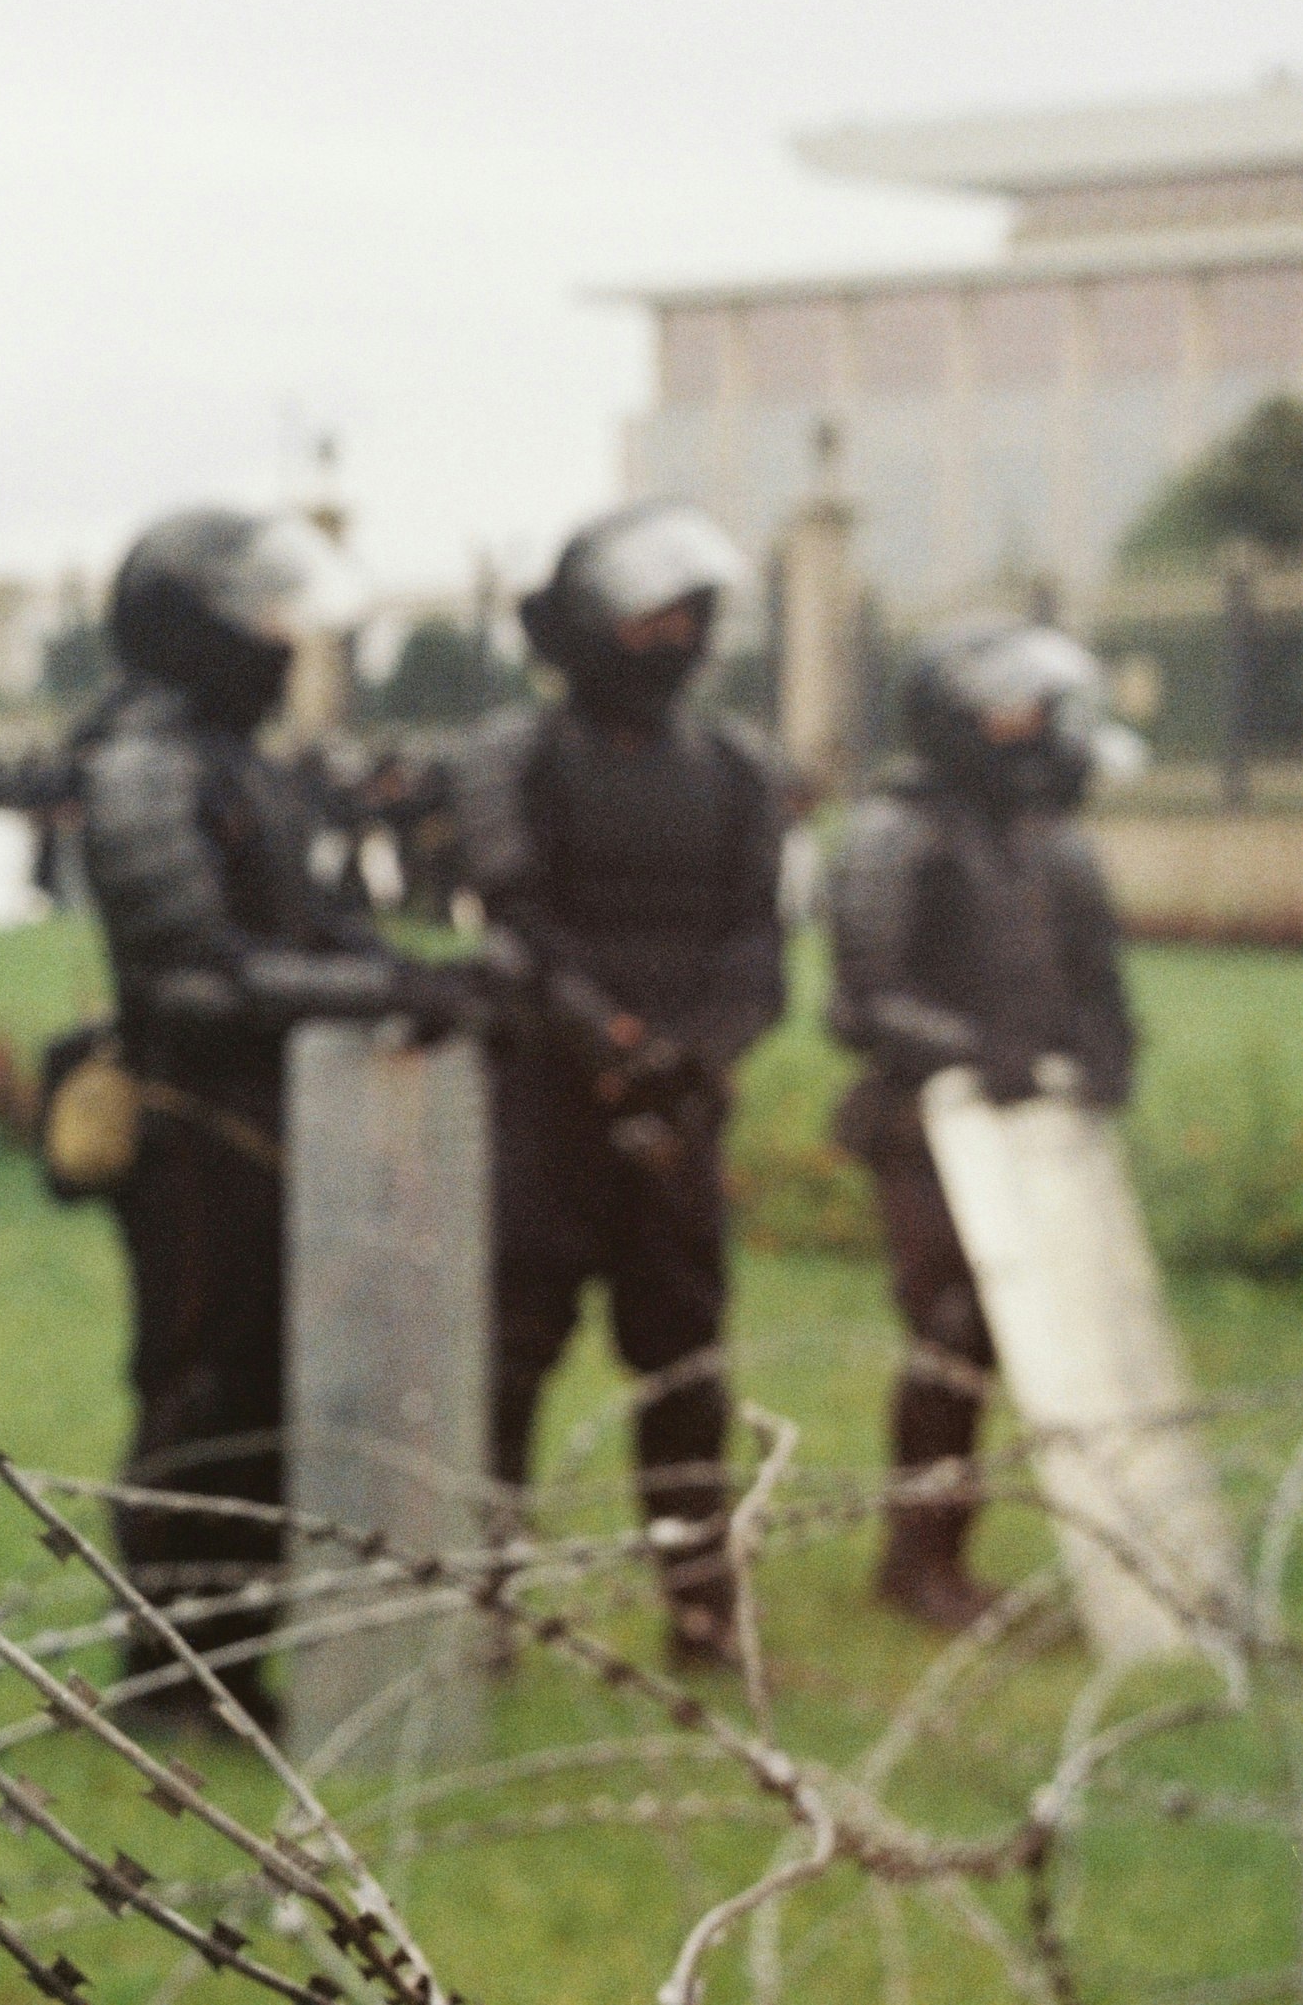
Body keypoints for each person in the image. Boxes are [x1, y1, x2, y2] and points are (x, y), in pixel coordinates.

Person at [76, 508, 467, 1727]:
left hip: (285, 1118)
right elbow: (190, 974)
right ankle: (170, 1671)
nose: (283, 641)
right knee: (198, 1389)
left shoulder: (249, 764)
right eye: (257, 618)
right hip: (197, 1125)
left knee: (265, 1393)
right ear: (189, 628)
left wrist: (420, 974)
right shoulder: (145, 766)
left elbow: (319, 923)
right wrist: (373, 990)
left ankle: (235, 1660)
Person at [449, 500, 784, 1668]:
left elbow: (757, 946)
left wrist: (692, 1056)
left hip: (680, 1112)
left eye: (690, 615)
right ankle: (478, 1592)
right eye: (652, 615)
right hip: (545, 1100)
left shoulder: (737, 766)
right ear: (591, 624)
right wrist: (604, 1039)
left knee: (684, 1361)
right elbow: (513, 916)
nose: (675, 636)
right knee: (508, 1353)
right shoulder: (517, 752)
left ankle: (699, 1597)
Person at [827, 619, 1135, 1631]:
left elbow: (1091, 975)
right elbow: (863, 999)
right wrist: (967, 1049)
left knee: (1020, 1336)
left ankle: (961, 1553)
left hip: (1037, 1128)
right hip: (928, 1125)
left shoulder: (1045, 833)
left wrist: (1102, 1045)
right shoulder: (893, 832)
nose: (1034, 727)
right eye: (1012, 708)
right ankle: (916, 1562)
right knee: (949, 1326)